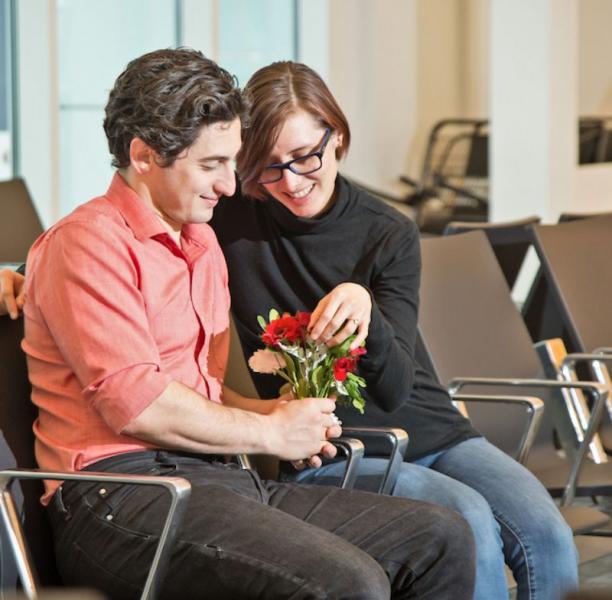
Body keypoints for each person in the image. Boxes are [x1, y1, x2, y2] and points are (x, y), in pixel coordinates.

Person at [17, 49, 475, 600]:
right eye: (211, 165)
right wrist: (269, 432)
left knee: (440, 536)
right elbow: (138, 405)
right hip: (121, 498)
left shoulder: (201, 241)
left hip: (216, 480)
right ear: (143, 155)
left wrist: (277, 414)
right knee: (346, 580)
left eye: (231, 164)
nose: (230, 186)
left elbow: (203, 394)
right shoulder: (87, 242)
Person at [209, 61, 578, 600]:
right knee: (468, 520)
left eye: (306, 156)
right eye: (268, 166)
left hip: (432, 430)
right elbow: (124, 225)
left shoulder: (387, 233)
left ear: (337, 138)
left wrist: (367, 310)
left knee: (549, 534)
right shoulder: (229, 219)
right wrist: (38, 267)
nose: (290, 181)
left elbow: (396, 387)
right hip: (330, 447)